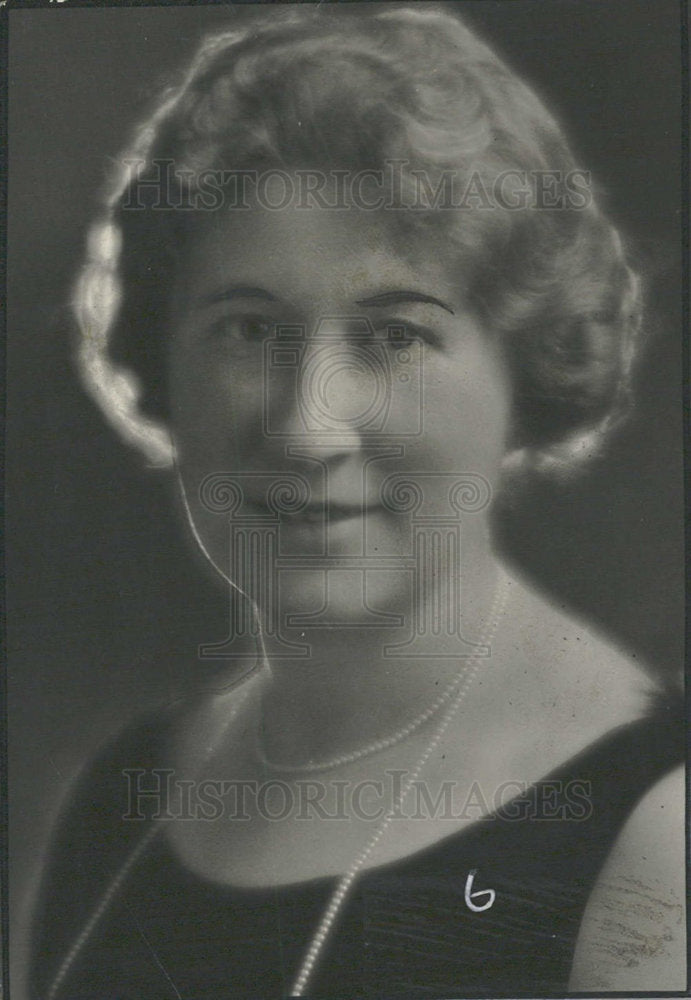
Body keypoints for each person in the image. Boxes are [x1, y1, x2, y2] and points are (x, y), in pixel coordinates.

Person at [30, 6, 684, 998]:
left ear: (526, 371)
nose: (306, 427)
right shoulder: (122, 801)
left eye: (391, 337)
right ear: (162, 361)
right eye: (248, 330)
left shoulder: (654, 832)